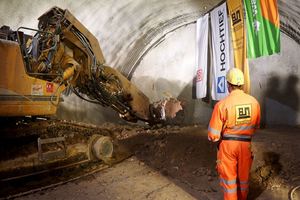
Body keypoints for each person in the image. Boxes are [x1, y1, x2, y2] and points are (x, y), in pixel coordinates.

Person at [208, 68, 261, 200]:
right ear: (242, 84)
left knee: (229, 181)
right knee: (243, 179)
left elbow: (213, 135)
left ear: (228, 85)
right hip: (246, 146)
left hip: (228, 147)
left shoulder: (222, 105)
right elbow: (256, 127)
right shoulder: (254, 102)